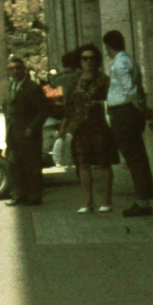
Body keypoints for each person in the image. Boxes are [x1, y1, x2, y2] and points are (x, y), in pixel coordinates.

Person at [103, 29, 153, 217]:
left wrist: (140, 109)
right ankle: (144, 198)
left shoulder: (119, 64)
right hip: (127, 111)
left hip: (123, 112)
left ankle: (143, 201)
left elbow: (130, 90)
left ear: (108, 47)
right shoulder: (129, 60)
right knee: (137, 156)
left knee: (133, 157)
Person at [59, 44, 118, 213]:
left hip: (99, 127)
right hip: (80, 128)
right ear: (80, 61)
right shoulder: (74, 82)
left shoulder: (104, 80)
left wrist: (98, 104)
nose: (89, 62)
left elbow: (112, 101)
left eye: (92, 58)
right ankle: (88, 201)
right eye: (85, 58)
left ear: (97, 61)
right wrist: (63, 128)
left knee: (104, 163)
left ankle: (107, 201)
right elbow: (68, 107)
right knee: (83, 164)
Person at [4, 56, 48, 206]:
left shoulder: (33, 88)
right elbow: (8, 111)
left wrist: (32, 128)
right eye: (11, 69)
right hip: (13, 134)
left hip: (29, 134)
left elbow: (43, 111)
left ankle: (34, 196)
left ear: (24, 70)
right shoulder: (9, 87)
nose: (15, 72)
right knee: (14, 164)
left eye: (18, 68)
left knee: (32, 166)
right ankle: (17, 195)